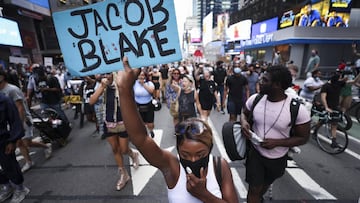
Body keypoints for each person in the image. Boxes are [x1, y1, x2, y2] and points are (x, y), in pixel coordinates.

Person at [116, 56, 239, 203]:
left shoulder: (219, 166)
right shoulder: (172, 167)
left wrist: (204, 195)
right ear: (178, 150)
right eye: (185, 155)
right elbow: (140, 139)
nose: (193, 160)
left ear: (210, 148)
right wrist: (124, 90)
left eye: (200, 154)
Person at [240, 65, 311, 203]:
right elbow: (244, 112)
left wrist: (277, 143)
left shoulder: (297, 109)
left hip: (278, 158)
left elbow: (303, 138)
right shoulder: (256, 99)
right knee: (254, 189)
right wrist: (243, 122)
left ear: (277, 85)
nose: (260, 81)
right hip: (255, 153)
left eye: (265, 80)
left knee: (264, 186)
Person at [89, 72, 139, 191]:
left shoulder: (121, 84)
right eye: (104, 74)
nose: (106, 76)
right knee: (115, 149)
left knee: (124, 149)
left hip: (123, 122)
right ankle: (123, 174)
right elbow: (91, 101)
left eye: (108, 73)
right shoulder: (101, 86)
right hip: (109, 123)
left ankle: (133, 154)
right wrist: (102, 86)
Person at [0, 70, 52, 173]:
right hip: (11, 122)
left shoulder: (11, 90)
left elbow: (20, 108)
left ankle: (46, 146)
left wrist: (19, 125)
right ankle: (29, 162)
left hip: (23, 119)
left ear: (2, 77)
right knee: (20, 143)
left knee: (26, 142)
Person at [0, 92, 30, 203]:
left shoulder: (4, 100)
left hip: (3, 140)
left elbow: (15, 121)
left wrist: (12, 141)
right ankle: (6, 186)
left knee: (9, 165)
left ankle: (20, 189)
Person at [319, 73, 346, 148]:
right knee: (322, 121)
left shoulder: (338, 84)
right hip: (327, 106)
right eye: (340, 78)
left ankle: (334, 141)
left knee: (334, 124)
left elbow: (353, 82)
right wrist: (326, 107)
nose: (341, 80)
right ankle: (315, 131)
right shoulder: (326, 86)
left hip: (335, 107)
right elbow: (323, 97)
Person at [133, 69, 155, 138]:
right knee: (141, 122)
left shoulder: (149, 83)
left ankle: (151, 130)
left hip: (148, 104)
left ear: (145, 76)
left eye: (142, 75)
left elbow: (151, 91)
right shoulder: (134, 83)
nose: (141, 77)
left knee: (150, 123)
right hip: (138, 105)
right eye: (139, 75)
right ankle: (144, 134)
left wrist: (143, 84)